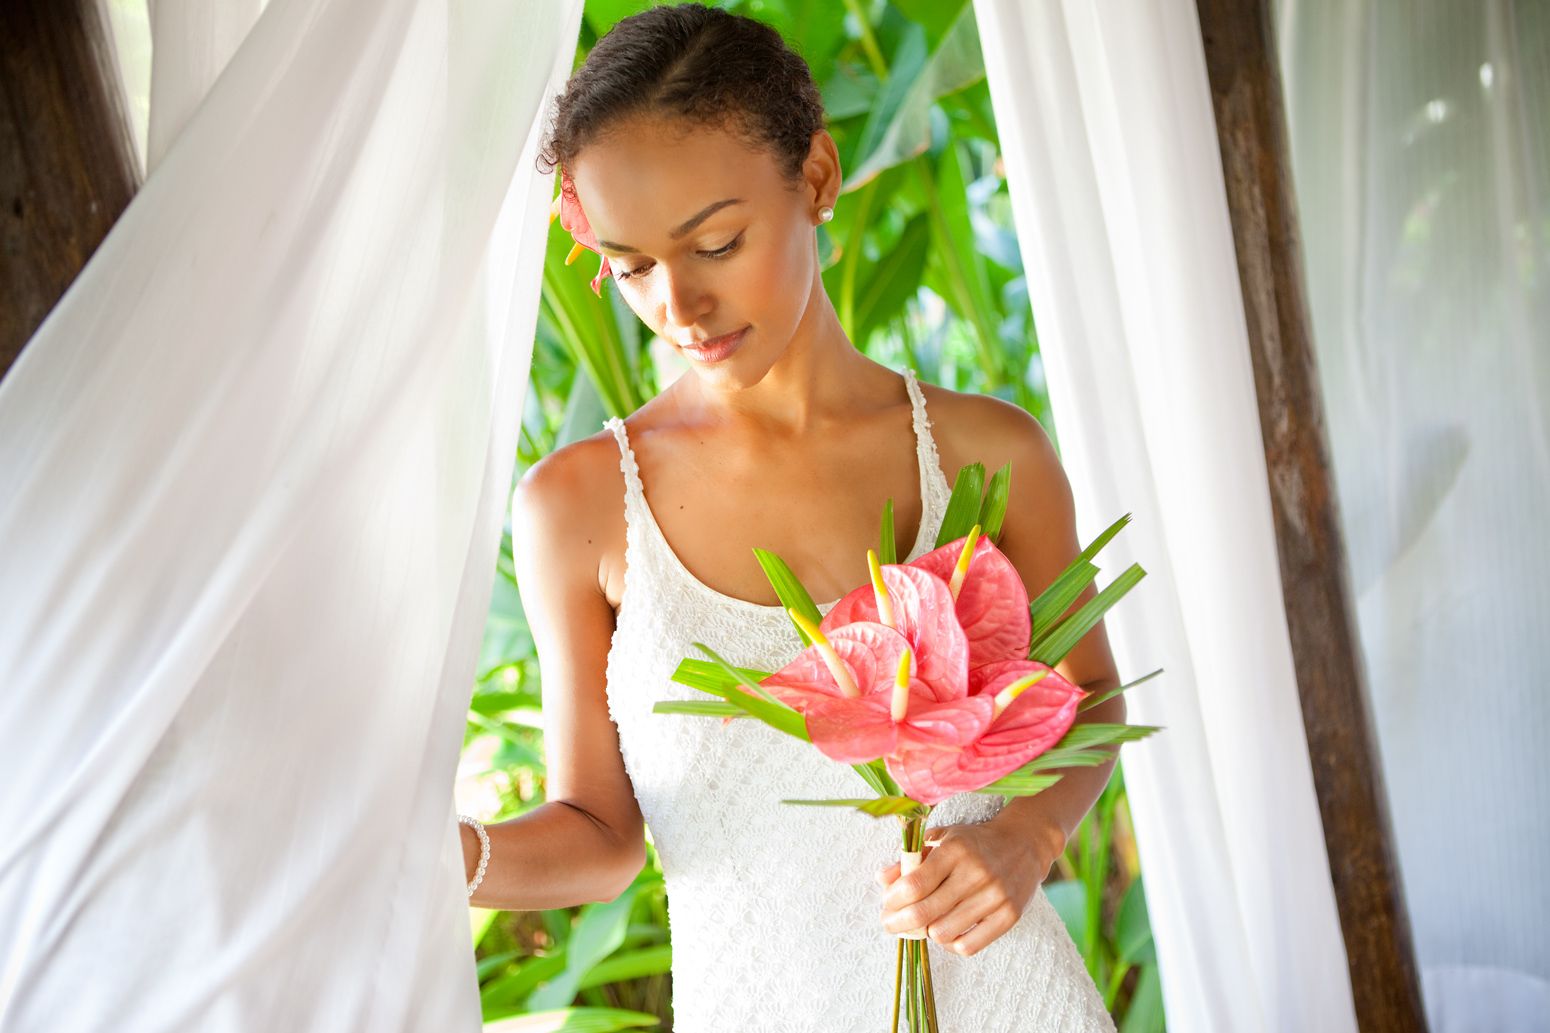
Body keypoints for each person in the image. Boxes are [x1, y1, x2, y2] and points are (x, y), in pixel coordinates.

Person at [459, 6, 1126, 1030]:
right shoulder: (580, 507)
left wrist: (1025, 838)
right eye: (632, 265)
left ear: (815, 179)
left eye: (715, 243)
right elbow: (599, 834)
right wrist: (457, 860)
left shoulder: (989, 455)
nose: (677, 305)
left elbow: (1088, 699)